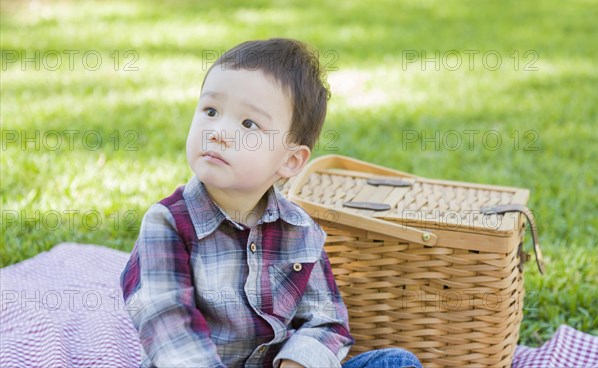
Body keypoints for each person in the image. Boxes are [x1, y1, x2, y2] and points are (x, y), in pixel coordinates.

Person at [120, 38, 422, 368]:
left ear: (290, 162)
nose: (218, 132)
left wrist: (298, 362)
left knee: (396, 362)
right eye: (210, 111)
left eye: (248, 123)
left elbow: (327, 321)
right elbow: (169, 329)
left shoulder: (300, 230)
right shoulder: (167, 223)